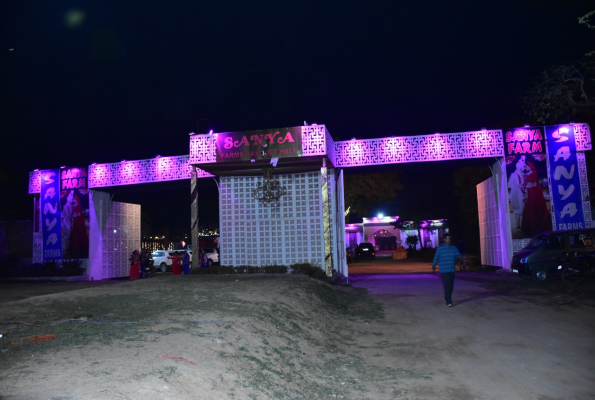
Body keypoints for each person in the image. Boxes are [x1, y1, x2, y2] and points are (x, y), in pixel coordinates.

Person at [521, 161, 552, 237]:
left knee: (533, 211)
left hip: (534, 195)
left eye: (527, 166)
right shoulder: (531, 173)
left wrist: (527, 186)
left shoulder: (532, 174)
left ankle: (534, 229)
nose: (526, 168)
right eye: (525, 166)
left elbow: (534, 184)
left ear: (530, 166)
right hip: (532, 195)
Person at [432, 233, 461, 307]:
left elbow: (457, 254)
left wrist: (460, 256)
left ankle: (447, 298)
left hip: (452, 270)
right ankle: (449, 301)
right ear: (444, 239)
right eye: (447, 238)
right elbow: (436, 257)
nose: (449, 240)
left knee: (451, 286)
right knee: (447, 285)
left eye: (449, 238)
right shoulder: (440, 248)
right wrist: (434, 265)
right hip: (444, 270)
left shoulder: (453, 247)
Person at [508, 155, 527, 234]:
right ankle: (518, 225)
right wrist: (517, 186)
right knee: (518, 211)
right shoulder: (513, 175)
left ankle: (524, 225)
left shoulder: (524, 175)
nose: (524, 168)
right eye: (522, 167)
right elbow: (509, 185)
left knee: (524, 210)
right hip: (517, 195)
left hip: (523, 194)